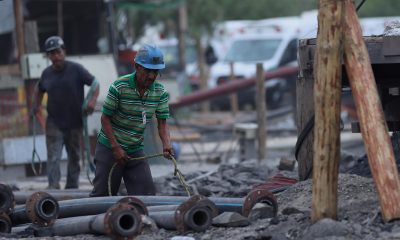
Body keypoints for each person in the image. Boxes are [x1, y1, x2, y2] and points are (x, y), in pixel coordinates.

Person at [90, 44, 173, 197]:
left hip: (135, 149)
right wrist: (116, 148)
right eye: (147, 71)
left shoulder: (160, 92)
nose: (151, 76)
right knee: (102, 196)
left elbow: (162, 123)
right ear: (136, 66)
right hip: (110, 147)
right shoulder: (119, 86)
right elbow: (105, 119)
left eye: (155, 72)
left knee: (147, 196)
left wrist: (167, 143)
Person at [33, 36, 100, 189]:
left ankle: (72, 188)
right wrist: (36, 107)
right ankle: (54, 188)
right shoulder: (46, 74)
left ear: (64, 51)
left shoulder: (76, 69)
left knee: (74, 157)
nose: (56, 56)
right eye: (52, 54)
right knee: (54, 157)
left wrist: (92, 101)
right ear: (48, 56)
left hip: (75, 122)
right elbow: (39, 89)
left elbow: (95, 83)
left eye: (58, 52)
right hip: (54, 122)